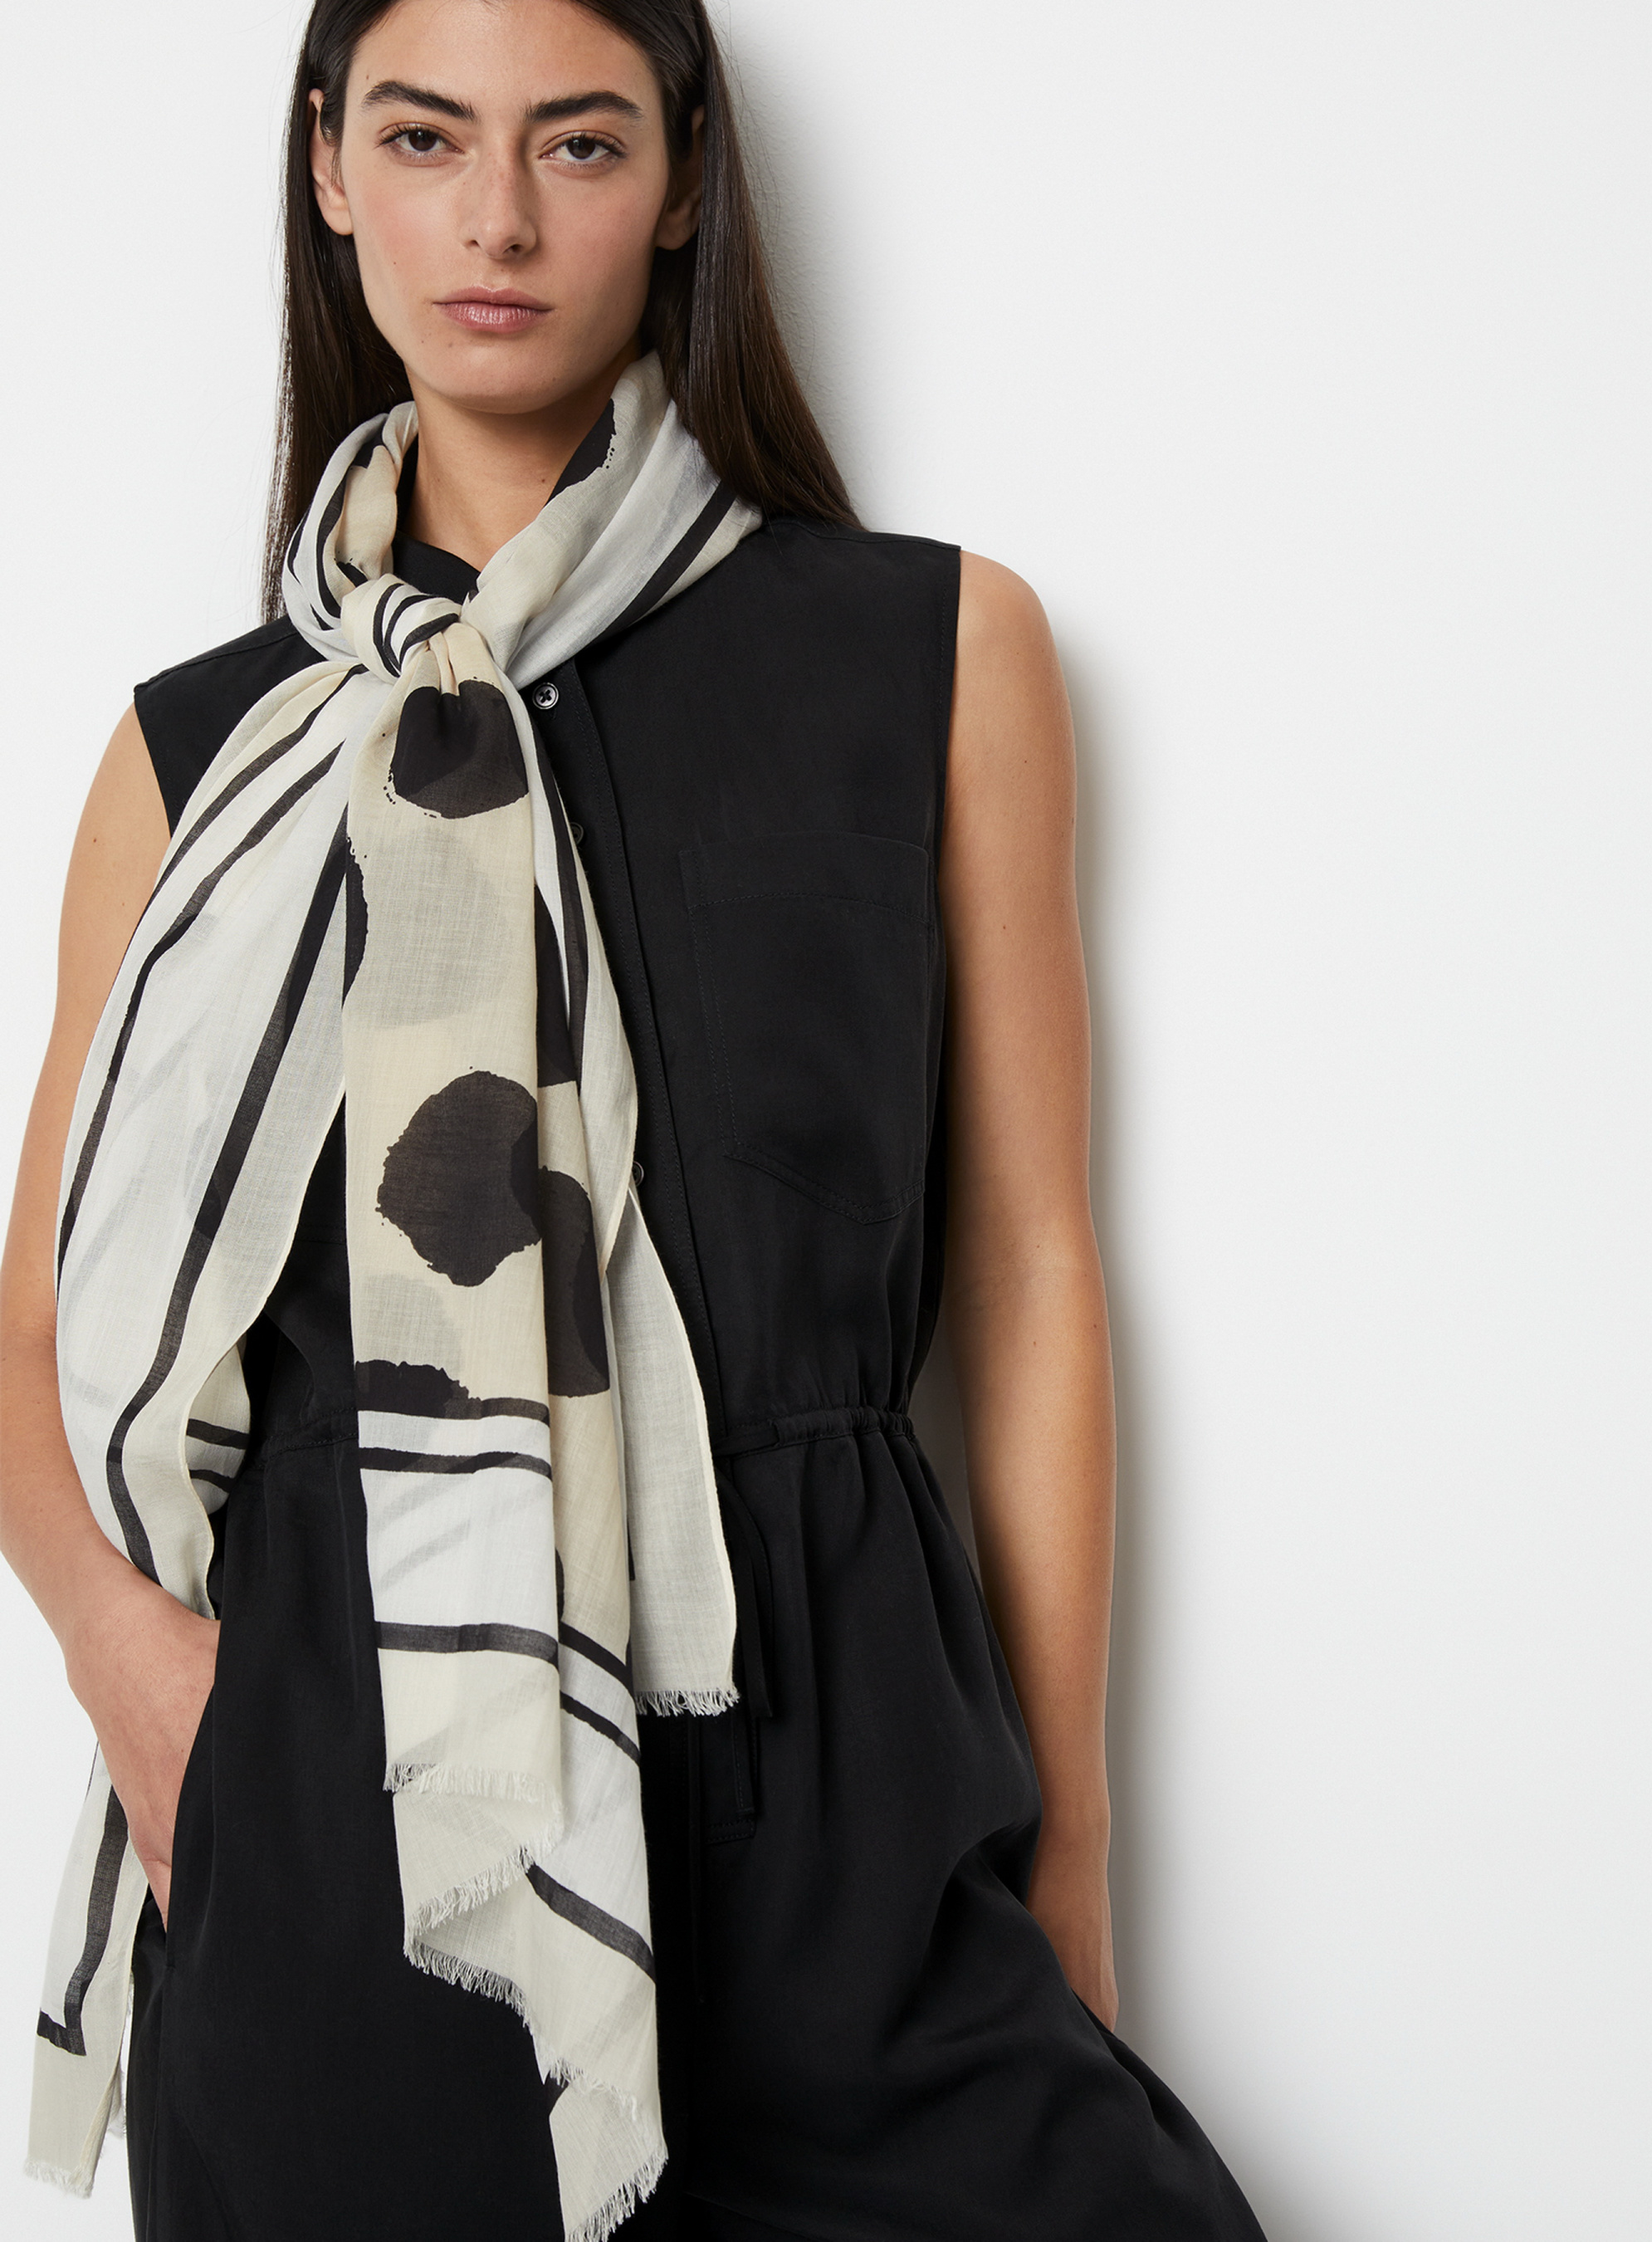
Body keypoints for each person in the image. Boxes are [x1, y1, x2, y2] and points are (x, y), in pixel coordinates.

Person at [0, 2, 1268, 2238]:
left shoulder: (935, 653)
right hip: (356, 1806)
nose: (495, 217)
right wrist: (152, 1690)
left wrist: (1069, 1850)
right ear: (329, 169)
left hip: (843, 1776)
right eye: (425, 138)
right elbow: (33, 1329)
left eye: (577, 144)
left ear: (682, 181)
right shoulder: (198, 756)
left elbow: (1031, 1270)